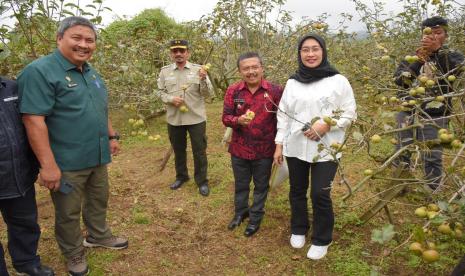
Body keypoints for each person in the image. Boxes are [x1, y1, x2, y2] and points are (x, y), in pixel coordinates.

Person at [17, 16, 128, 276]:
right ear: (59, 39)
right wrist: (48, 166)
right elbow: (33, 120)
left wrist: (111, 136)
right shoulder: (40, 71)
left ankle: (98, 235)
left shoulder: (89, 70)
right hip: (66, 160)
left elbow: (99, 107)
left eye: (89, 40)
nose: (83, 44)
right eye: (76, 38)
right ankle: (73, 252)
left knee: (98, 199)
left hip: (97, 155)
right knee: (68, 212)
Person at [273, 34, 356, 260]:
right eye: (305, 50)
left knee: (320, 192)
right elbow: (283, 115)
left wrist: (327, 125)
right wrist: (279, 144)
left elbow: (350, 113)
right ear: (299, 54)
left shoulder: (338, 80)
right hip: (296, 146)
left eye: (315, 49)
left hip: (326, 148)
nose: (310, 54)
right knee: (297, 190)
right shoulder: (292, 82)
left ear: (323, 51)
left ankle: (322, 238)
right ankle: (299, 228)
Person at [393, 16, 464, 191]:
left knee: (432, 154)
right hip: (408, 111)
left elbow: (459, 74)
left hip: (437, 115)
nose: (432, 36)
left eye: (438, 33)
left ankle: (433, 191)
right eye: (428, 33)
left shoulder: (453, 56)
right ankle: (400, 186)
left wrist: (437, 52)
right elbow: (400, 81)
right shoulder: (412, 58)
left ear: (445, 36)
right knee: (402, 150)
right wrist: (419, 61)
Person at [222, 52, 283, 237]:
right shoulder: (234, 91)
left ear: (262, 68)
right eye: (246, 68)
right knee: (241, 184)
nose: (251, 72)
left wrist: (279, 147)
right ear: (240, 71)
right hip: (239, 148)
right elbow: (225, 118)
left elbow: (282, 121)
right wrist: (237, 120)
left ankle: (255, 217)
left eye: (254, 67)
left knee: (261, 185)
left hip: (264, 150)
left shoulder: (275, 91)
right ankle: (240, 213)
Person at [0, 76, 54, 276]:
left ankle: (26, 261)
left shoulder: (12, 88)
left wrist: (39, 164)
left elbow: (31, 124)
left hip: (18, 174)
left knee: (25, 222)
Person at [157, 39, 213, 196]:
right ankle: (181, 176)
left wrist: (203, 78)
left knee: (199, 151)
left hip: (196, 118)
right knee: (178, 150)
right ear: (171, 54)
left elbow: (208, 95)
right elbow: (160, 92)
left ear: (188, 52)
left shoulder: (199, 70)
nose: (179, 54)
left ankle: (202, 181)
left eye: (182, 50)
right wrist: (170, 99)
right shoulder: (164, 72)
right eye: (175, 51)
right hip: (174, 119)